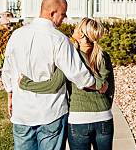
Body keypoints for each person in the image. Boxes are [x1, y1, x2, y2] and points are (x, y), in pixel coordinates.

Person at [1, 0, 97, 150]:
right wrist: (96, 85)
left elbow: (8, 70)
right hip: (51, 112)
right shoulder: (59, 39)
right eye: (63, 15)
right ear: (53, 13)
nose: (64, 19)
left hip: (22, 112)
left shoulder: (16, 35)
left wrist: (10, 94)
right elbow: (77, 73)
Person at [20, 18, 115, 150]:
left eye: (76, 28)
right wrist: (104, 107)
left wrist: (26, 84)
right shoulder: (103, 55)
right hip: (104, 117)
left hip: (79, 119)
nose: (73, 30)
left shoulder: (71, 57)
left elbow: (54, 85)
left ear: (81, 34)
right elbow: (110, 89)